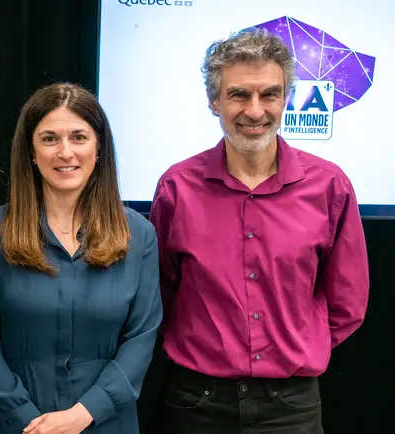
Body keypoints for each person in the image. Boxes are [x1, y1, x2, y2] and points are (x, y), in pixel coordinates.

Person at [149, 28, 369, 434]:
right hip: (195, 404)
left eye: (269, 94)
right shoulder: (176, 188)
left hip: (291, 407)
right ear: (214, 101)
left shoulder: (329, 186)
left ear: (285, 99)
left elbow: (347, 303)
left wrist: (294, 346)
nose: (255, 111)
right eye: (238, 95)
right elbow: (160, 295)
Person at [0, 83, 163, 434]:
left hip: (105, 423)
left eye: (79, 137)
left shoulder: (140, 235)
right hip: (14, 425)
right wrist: (29, 421)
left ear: (99, 148)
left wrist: (83, 414)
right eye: (50, 138)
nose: (65, 152)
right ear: (30, 151)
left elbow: (141, 338)